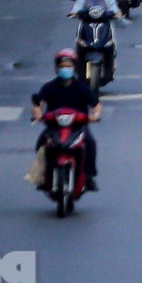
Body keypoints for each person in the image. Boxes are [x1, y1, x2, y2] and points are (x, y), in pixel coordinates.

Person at [32, 50, 101, 190]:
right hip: (54, 125)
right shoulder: (49, 87)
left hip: (78, 126)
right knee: (41, 142)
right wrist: (38, 114)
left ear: (74, 68)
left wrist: (96, 115)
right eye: (63, 66)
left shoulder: (82, 87)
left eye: (68, 66)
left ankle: (88, 176)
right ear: (57, 68)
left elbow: (96, 105)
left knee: (90, 143)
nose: (65, 69)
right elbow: (39, 105)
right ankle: (43, 174)